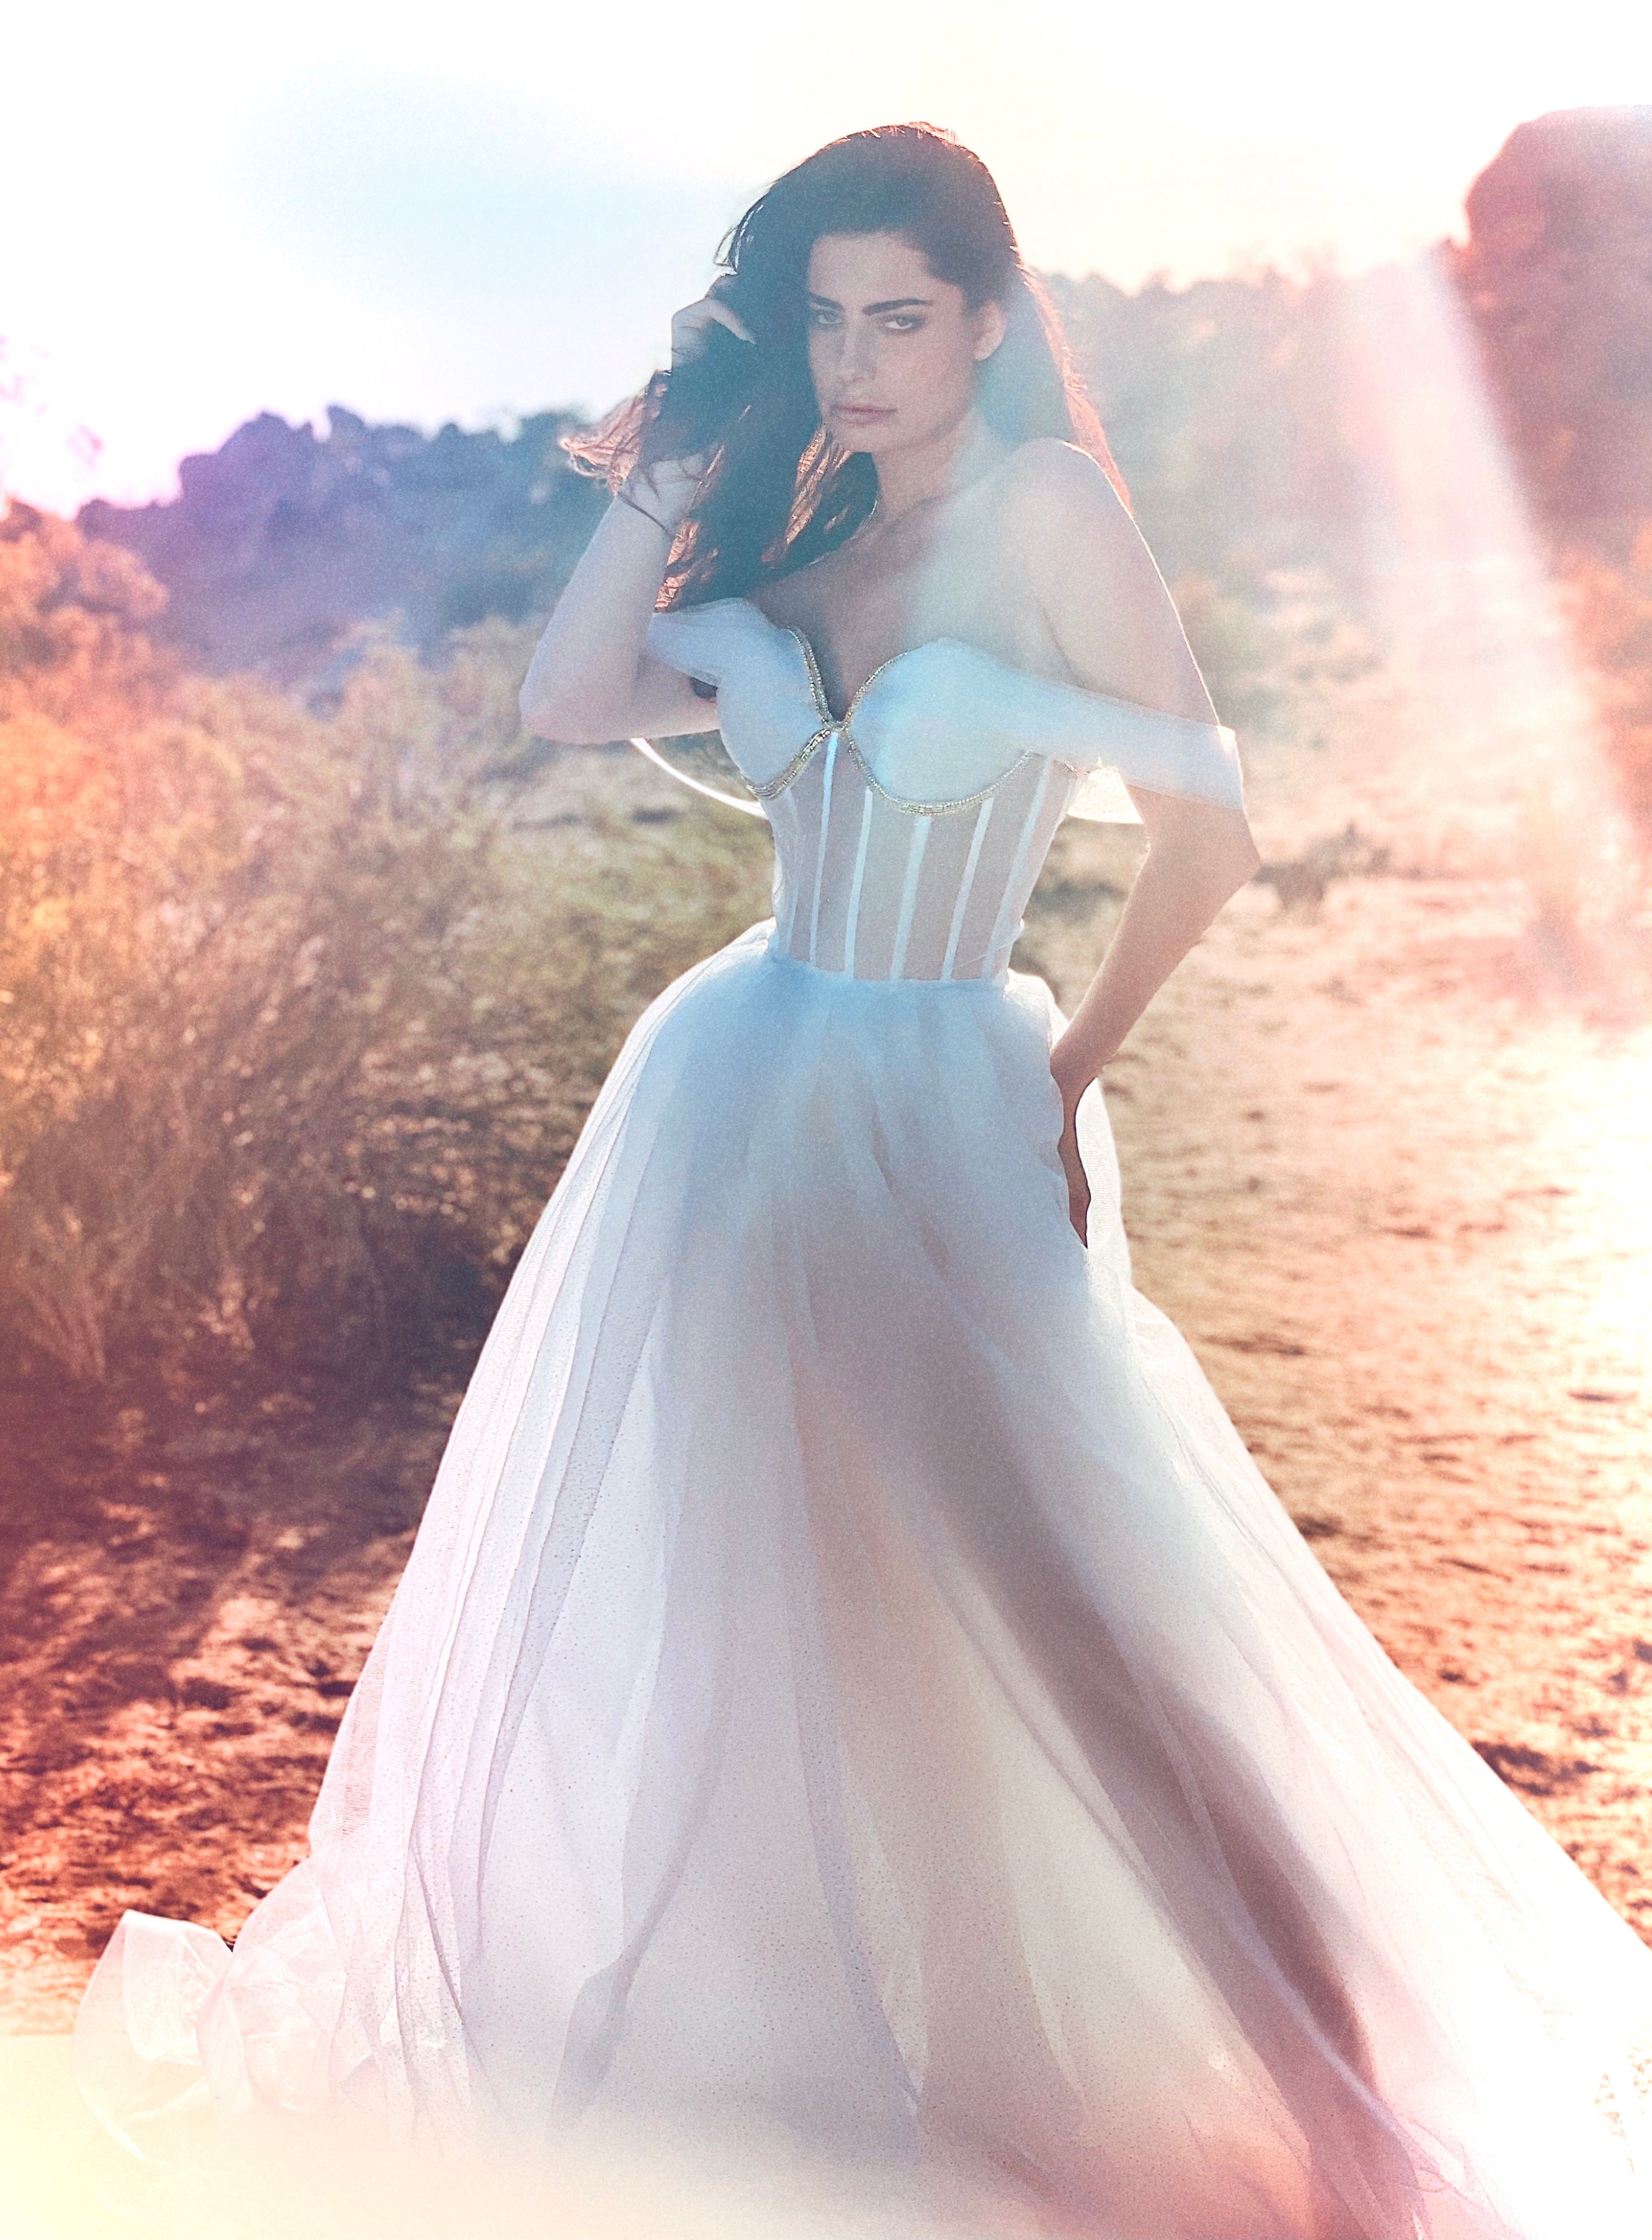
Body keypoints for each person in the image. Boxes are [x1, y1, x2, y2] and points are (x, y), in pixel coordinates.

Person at [75, 124, 1652, 2239]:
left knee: (1080, 1611)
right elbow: (568, 696)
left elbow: (1215, 825)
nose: (857, 359)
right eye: (820, 321)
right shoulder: (793, 564)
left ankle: (1354, 2115)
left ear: (990, 322)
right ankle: (848, 2079)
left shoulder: (1053, 509)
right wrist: (666, 452)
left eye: (898, 316)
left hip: (948, 1109)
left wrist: (1067, 1081)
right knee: (787, 1604)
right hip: (738, 1111)